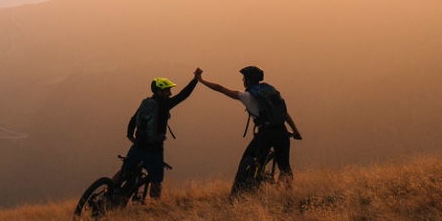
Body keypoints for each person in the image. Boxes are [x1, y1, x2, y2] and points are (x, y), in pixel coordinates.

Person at [198, 65, 302, 194]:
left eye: (243, 78)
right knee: (285, 167)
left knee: (248, 158)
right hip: (282, 131)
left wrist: (201, 80)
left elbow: (220, 88)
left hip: (266, 133)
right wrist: (295, 131)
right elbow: (284, 113)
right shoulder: (270, 91)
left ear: (247, 80)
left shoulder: (247, 96)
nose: (242, 81)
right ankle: (288, 195)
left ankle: (236, 194)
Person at [115, 69, 200, 199]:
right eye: (167, 90)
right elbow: (183, 95)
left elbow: (133, 119)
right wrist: (195, 80)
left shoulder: (146, 103)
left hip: (138, 146)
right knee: (156, 180)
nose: (170, 93)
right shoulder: (165, 104)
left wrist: (130, 135)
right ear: (160, 91)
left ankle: (108, 191)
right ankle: (155, 208)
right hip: (154, 149)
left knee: (124, 171)